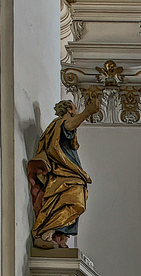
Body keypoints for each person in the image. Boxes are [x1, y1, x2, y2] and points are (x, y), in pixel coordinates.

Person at [27, 96, 101, 248]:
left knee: (71, 201)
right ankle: (46, 232)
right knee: (72, 200)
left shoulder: (63, 126)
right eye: (74, 108)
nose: (76, 111)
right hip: (63, 173)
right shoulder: (60, 123)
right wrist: (87, 112)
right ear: (68, 110)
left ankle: (61, 236)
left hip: (70, 173)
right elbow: (70, 125)